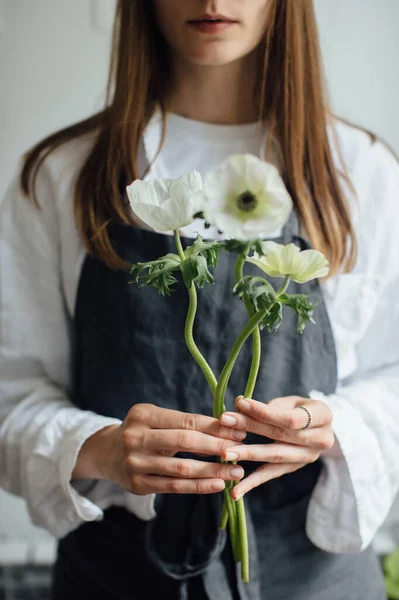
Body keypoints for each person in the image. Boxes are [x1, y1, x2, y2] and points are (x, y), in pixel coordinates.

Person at [0, 1, 398, 598]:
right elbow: (12, 394)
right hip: (118, 576)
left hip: (316, 576)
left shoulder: (359, 174)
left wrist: (332, 427)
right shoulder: (63, 176)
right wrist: (100, 449)